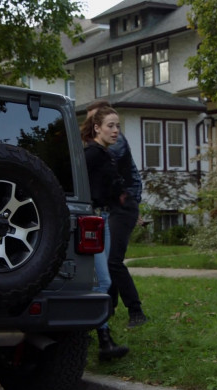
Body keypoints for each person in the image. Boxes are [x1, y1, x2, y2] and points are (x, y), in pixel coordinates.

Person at [86, 100, 147, 328]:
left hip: (123, 205)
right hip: (113, 206)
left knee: (113, 261)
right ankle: (107, 310)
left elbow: (113, 171)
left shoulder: (112, 144)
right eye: (95, 119)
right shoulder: (96, 148)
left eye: (115, 125)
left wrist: (131, 205)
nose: (114, 130)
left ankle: (136, 311)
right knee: (107, 264)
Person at [80, 105, 129, 361]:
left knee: (100, 280)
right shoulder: (92, 154)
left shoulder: (104, 154)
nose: (116, 131)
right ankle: (103, 341)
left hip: (102, 219)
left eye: (118, 126)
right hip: (91, 220)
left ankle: (95, 337)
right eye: (110, 125)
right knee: (104, 282)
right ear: (97, 127)